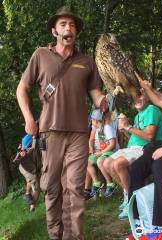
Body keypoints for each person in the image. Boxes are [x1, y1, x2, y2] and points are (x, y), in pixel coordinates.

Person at [16, 6, 106, 240]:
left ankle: (73, 237)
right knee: (52, 186)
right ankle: (55, 235)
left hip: (78, 133)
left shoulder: (86, 61)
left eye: (73, 25)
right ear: (54, 30)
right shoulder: (41, 55)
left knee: (75, 188)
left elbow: (95, 92)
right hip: (49, 132)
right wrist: (28, 117)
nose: (69, 28)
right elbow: (22, 88)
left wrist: (103, 101)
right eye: (64, 24)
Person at [126, 69, 162, 240]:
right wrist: (148, 89)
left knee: (159, 165)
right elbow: (161, 98)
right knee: (136, 168)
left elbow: (157, 100)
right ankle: (138, 222)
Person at [103, 92, 162, 219]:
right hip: (132, 148)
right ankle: (130, 195)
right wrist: (126, 128)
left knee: (118, 164)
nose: (137, 99)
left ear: (147, 96)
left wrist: (128, 126)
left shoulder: (151, 109)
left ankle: (133, 202)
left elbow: (149, 136)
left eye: (140, 95)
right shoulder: (138, 116)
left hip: (147, 148)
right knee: (106, 163)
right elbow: (135, 133)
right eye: (134, 96)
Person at [87, 109, 118, 198]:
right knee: (88, 161)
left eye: (92, 120)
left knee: (100, 161)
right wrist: (92, 150)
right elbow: (91, 140)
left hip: (111, 151)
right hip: (102, 152)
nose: (91, 122)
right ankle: (96, 183)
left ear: (96, 121)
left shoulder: (107, 128)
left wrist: (100, 153)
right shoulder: (96, 129)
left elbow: (112, 144)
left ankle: (110, 183)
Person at [14, 134, 40, 212]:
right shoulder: (30, 150)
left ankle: (28, 194)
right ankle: (32, 205)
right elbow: (33, 147)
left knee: (29, 181)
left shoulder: (23, 149)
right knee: (36, 188)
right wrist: (34, 138)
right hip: (28, 170)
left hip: (22, 168)